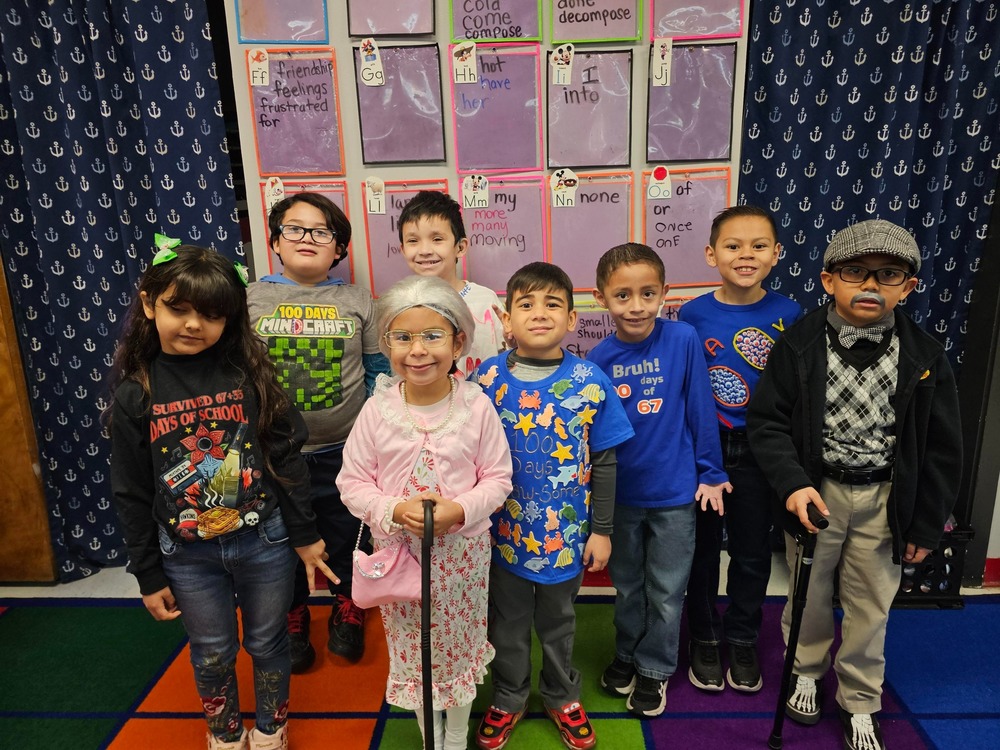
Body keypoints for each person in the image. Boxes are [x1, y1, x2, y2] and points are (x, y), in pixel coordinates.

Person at [109, 243, 336, 750]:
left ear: (230, 319)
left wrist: (304, 535)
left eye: (211, 315)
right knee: (211, 651)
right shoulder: (135, 394)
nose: (194, 324)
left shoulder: (250, 376)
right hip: (188, 556)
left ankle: (272, 731)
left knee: (267, 641)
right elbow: (130, 490)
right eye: (179, 308)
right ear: (150, 305)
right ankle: (226, 735)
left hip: (265, 543)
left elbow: (287, 456)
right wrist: (148, 572)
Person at [747, 219, 961, 750]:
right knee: (809, 591)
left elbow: (941, 448)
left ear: (908, 287)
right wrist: (794, 485)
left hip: (886, 498)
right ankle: (806, 669)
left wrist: (926, 522)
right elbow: (768, 422)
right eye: (855, 273)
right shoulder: (797, 345)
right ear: (828, 281)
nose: (870, 285)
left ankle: (860, 697)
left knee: (871, 603)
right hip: (819, 492)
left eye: (888, 275)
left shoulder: (926, 356)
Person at [337, 276, 513, 750]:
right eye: (404, 336)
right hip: (398, 561)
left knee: (455, 651)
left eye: (433, 336)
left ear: (458, 341)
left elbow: (498, 479)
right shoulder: (378, 410)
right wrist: (392, 508)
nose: (418, 350)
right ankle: (428, 734)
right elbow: (351, 482)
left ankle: (456, 736)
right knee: (415, 653)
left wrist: (460, 508)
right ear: (386, 344)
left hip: (462, 561)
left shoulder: (476, 407)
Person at [472, 262, 634, 750]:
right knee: (507, 621)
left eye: (552, 304)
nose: (539, 314)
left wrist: (601, 529)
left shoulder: (590, 381)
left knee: (560, 622)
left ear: (572, 319)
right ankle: (508, 695)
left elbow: (604, 463)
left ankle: (562, 695)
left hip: (567, 536)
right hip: (501, 535)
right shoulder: (484, 380)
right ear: (505, 319)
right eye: (526, 304)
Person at [248, 192, 390, 671]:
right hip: (272, 454)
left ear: (339, 248)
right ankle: (291, 614)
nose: (307, 238)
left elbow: (375, 371)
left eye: (321, 231)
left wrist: (372, 439)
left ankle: (348, 606)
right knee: (281, 538)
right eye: (295, 228)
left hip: (343, 452)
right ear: (275, 240)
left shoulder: (357, 300)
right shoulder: (250, 299)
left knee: (349, 533)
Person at [588, 243, 731, 718]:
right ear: (602, 299)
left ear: (665, 294)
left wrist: (711, 471)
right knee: (628, 586)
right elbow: (595, 438)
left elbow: (699, 409)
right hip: (623, 497)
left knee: (667, 590)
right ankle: (627, 653)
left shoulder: (683, 339)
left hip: (675, 495)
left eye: (647, 293)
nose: (636, 305)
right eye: (623, 295)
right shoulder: (598, 360)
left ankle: (654, 668)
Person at [679, 206, 804, 694]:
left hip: (761, 451)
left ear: (776, 254)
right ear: (712, 254)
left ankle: (744, 636)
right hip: (704, 451)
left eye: (758, 245)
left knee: (752, 553)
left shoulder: (789, 314)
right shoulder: (691, 314)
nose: (745, 254)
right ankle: (705, 637)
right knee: (703, 553)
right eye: (733, 245)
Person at [397, 190, 505, 375]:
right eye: (413, 240)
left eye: (437, 239)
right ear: (403, 249)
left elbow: (506, 358)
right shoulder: (400, 304)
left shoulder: (485, 300)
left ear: (460, 247)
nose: (424, 250)